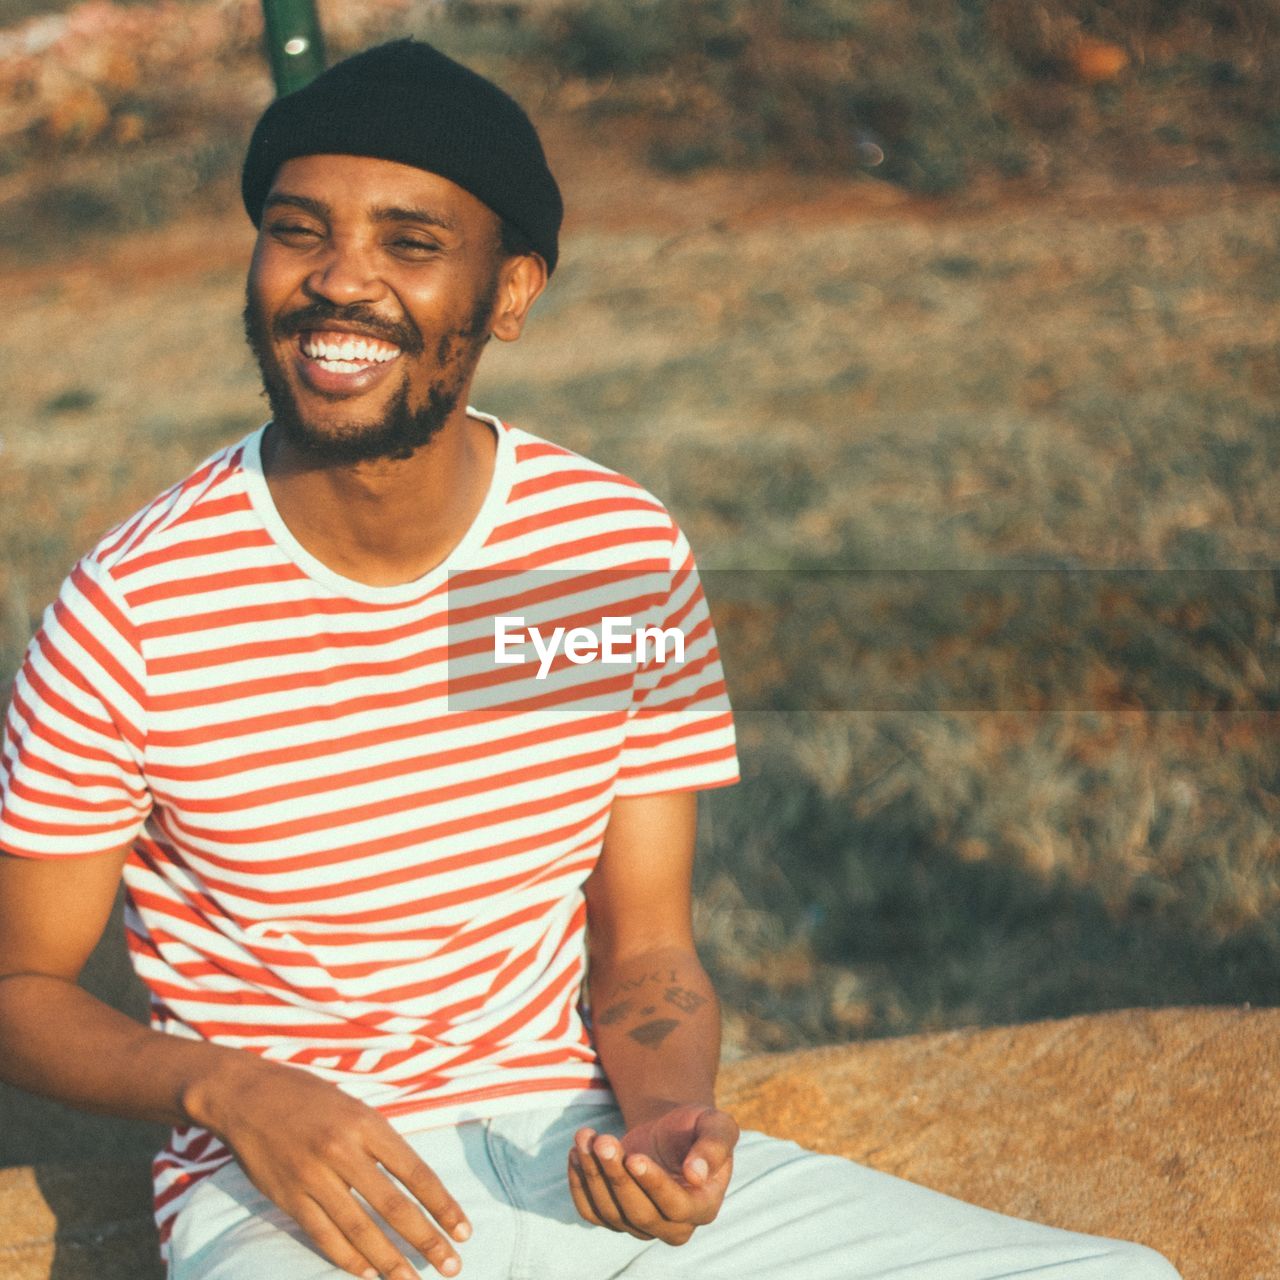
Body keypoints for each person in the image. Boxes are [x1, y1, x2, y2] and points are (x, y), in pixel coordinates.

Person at [0, 38, 1182, 1280]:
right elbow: (22, 983)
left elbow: (646, 950)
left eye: (410, 243)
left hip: (567, 1143)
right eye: (299, 231)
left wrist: (667, 1117)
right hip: (290, 1195)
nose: (340, 281)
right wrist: (231, 1091)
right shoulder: (134, 604)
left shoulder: (599, 555)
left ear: (509, 295)